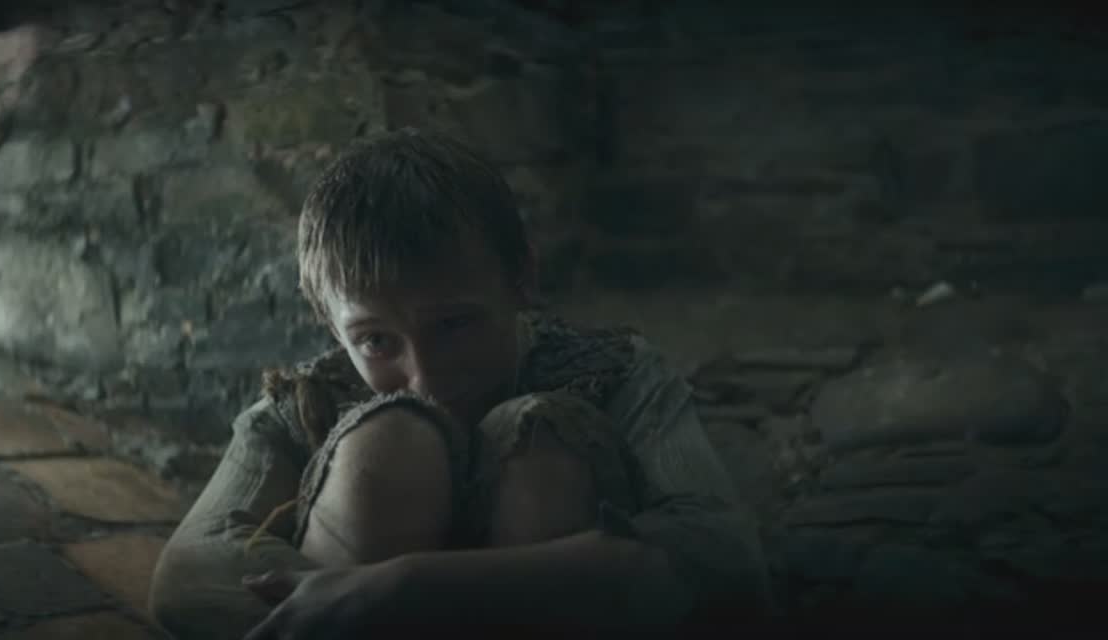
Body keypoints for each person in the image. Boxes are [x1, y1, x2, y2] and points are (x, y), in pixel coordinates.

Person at [147, 128, 774, 639]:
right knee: (390, 443)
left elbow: (723, 556)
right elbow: (188, 575)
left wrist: (407, 588)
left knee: (540, 438)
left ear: (521, 278)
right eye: (376, 341)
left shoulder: (613, 372)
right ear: (329, 325)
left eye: (454, 325)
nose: (426, 377)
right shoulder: (309, 399)